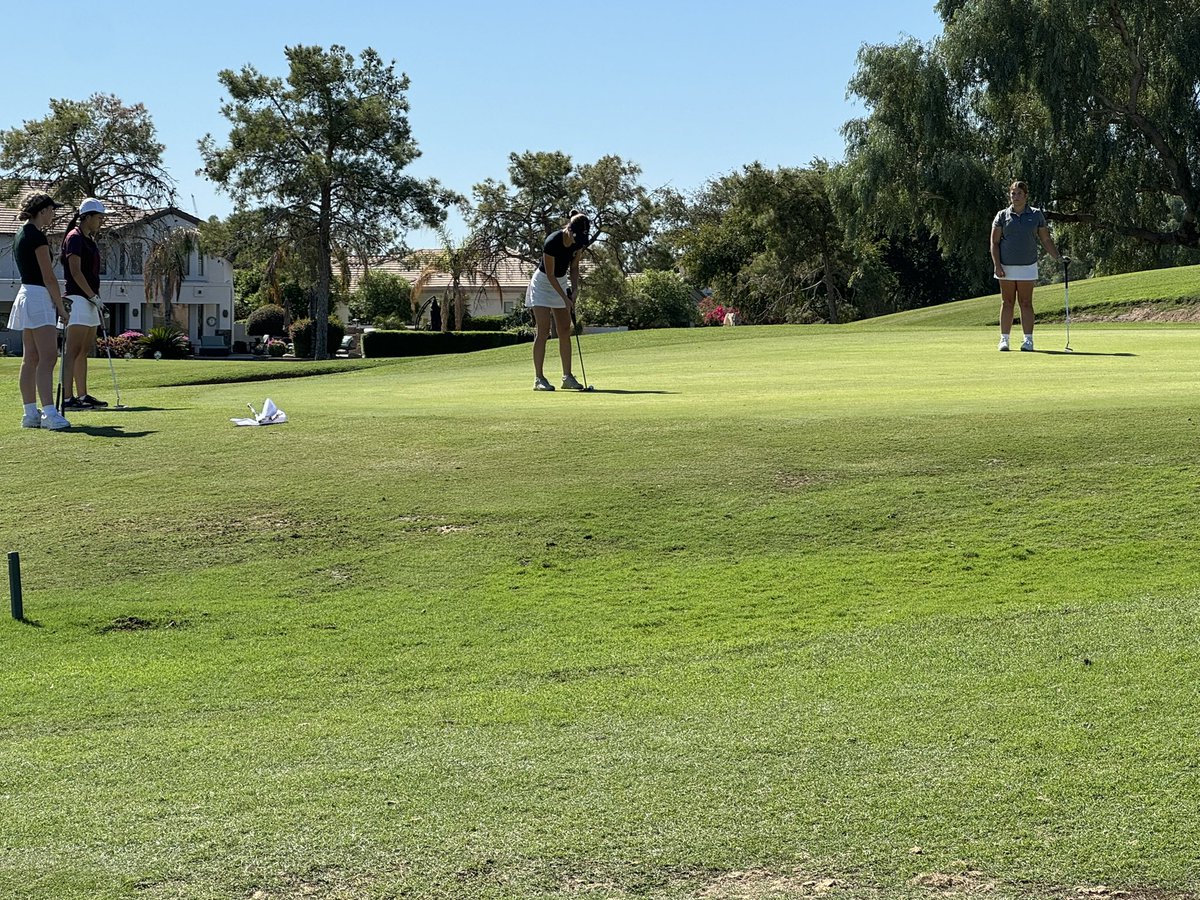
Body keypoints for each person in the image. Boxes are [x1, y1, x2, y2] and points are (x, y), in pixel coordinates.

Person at [6, 193, 71, 429]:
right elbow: (49, 277)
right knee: (48, 357)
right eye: (52, 210)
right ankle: (50, 414)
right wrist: (61, 308)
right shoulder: (37, 236)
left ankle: (30, 414)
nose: (53, 214)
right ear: (42, 211)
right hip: (38, 297)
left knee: (31, 357)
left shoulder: (21, 233)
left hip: (27, 295)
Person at [990, 181, 1066, 352]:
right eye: (1013, 194)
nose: (1015, 197)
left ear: (1025, 196)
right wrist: (997, 265)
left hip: (1027, 265)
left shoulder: (1036, 214)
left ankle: (1028, 340)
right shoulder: (1002, 215)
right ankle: (1004, 339)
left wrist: (1058, 257)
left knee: (1026, 303)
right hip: (1006, 266)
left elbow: (1045, 239)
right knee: (1007, 302)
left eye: (1019, 193)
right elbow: (994, 243)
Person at [525, 210, 590, 390]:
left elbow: (574, 268)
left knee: (564, 330)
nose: (578, 242)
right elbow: (550, 275)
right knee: (543, 331)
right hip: (542, 285)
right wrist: (564, 298)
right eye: (577, 237)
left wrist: (574, 290)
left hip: (560, 282)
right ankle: (539, 379)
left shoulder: (578, 244)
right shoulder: (552, 242)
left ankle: (567, 377)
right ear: (569, 230)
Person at [61, 197, 109, 409]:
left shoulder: (89, 239)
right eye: (99, 217)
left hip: (89, 299)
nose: (101, 221)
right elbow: (75, 272)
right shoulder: (74, 237)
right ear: (87, 217)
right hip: (77, 298)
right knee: (72, 350)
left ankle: (82, 395)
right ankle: (67, 398)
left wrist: (95, 298)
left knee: (84, 350)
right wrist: (92, 296)